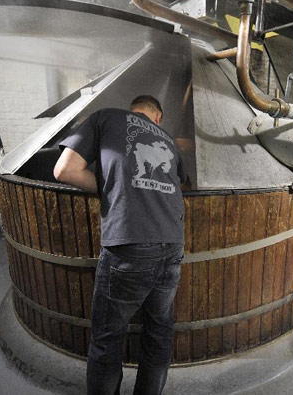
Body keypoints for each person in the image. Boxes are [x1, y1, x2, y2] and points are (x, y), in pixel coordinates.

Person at [54, 95, 188, 395]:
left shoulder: (104, 117)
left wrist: (112, 188)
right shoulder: (167, 139)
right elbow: (181, 186)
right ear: (158, 117)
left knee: (107, 337)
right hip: (173, 245)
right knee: (159, 333)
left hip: (130, 244)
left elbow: (64, 170)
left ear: (135, 112)